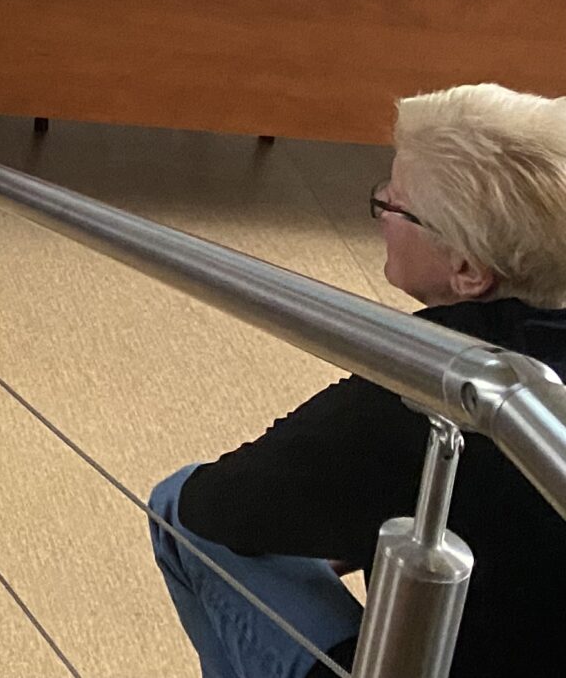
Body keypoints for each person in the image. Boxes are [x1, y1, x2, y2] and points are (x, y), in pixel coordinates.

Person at [148, 83, 566, 678]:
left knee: (176, 506)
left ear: (468, 269)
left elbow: (216, 505)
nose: (382, 211)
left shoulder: (435, 385)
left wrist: (355, 520)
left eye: (397, 205)